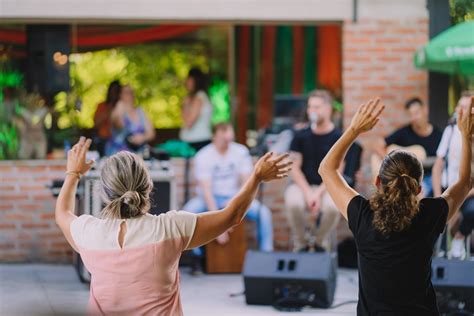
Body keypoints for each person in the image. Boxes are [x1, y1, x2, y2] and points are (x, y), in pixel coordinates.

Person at [55, 137, 291, 315]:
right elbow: (232, 215)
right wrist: (257, 177)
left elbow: (62, 213)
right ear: (148, 185)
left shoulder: (88, 233)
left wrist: (73, 173)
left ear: (104, 192)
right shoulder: (170, 228)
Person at [319, 97, 472, 315]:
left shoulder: (362, 215)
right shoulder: (430, 214)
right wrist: (466, 136)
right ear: (418, 189)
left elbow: (326, 169)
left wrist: (354, 129)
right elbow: (465, 182)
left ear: (378, 182)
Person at [183, 122, 275, 274]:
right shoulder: (203, 155)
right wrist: (219, 224)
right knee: (188, 213)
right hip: (209, 199)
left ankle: (266, 257)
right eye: (223, 135)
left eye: (229, 135)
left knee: (263, 212)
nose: (227, 139)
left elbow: (247, 182)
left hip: (235, 196)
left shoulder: (240, 151)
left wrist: (234, 203)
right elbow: (206, 191)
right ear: (214, 136)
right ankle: (196, 258)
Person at [284, 90, 341, 252]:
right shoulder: (300, 135)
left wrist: (318, 193)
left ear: (328, 109)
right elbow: (294, 168)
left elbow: (338, 170)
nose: (312, 111)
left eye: (317, 107)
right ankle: (301, 243)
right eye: (310, 107)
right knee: (294, 202)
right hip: (303, 185)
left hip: (327, 186)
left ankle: (318, 242)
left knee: (332, 207)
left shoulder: (338, 136)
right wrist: (309, 192)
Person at [432, 91, 474, 259]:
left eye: (465, 107)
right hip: (446, 188)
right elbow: (438, 166)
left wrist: (461, 195)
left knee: (472, 211)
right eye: (459, 106)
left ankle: (459, 238)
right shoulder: (449, 131)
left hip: (469, 193)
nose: (460, 110)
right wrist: (437, 195)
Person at [373, 97, 442, 196]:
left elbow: (439, 164)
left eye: (416, 113)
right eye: (411, 115)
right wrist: (391, 163)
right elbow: (377, 144)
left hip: (427, 177)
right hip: (406, 180)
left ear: (425, 110)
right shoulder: (405, 132)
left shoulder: (438, 136)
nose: (414, 118)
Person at [105, 84, 155, 156]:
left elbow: (151, 133)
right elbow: (118, 124)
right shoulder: (117, 110)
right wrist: (119, 108)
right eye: (126, 92)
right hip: (118, 155)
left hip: (138, 154)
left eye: (131, 92)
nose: (129, 95)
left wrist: (142, 138)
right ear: (120, 95)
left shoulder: (140, 112)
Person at [180, 67, 213, 151]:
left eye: (189, 80)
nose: (186, 82)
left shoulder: (198, 98)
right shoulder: (203, 96)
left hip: (197, 142)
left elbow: (189, 122)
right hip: (199, 140)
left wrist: (185, 104)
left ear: (195, 81)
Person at [94, 80, 121, 156]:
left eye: (116, 91)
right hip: (104, 140)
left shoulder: (122, 107)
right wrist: (108, 111)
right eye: (112, 91)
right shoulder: (102, 106)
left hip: (119, 141)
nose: (114, 93)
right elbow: (96, 124)